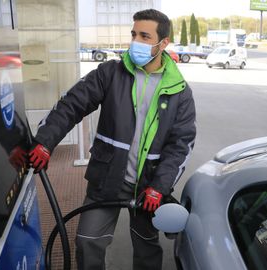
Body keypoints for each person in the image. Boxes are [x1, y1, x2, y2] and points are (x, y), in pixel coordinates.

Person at [29, 9, 196, 270]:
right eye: (133, 34)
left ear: (163, 43)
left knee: (147, 247)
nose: (135, 41)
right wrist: (45, 141)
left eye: (144, 35)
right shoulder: (110, 73)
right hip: (107, 178)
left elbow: (181, 145)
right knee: (87, 242)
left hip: (148, 187)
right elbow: (72, 105)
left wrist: (160, 187)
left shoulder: (180, 92)